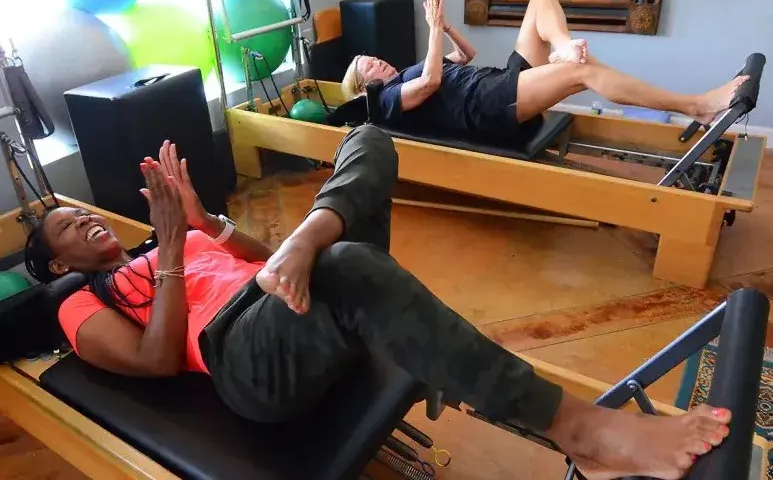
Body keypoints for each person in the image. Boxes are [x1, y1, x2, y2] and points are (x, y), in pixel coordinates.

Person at [25, 131, 731, 479]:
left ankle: (312, 235)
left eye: (81, 213)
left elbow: (267, 268)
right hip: (242, 360)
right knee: (348, 266)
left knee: (368, 139)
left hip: (280, 298)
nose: (83, 220)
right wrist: (175, 250)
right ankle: (581, 430)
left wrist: (207, 222)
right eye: (66, 228)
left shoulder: (172, 240)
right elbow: (154, 360)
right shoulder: (77, 301)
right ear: (57, 263)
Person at [341, 0, 748, 144]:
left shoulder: (408, 71)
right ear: (363, 86)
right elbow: (431, 82)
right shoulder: (385, 100)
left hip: (495, 82)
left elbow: (466, 56)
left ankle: (564, 46)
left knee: (541, 0)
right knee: (583, 72)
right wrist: (432, 29)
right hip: (484, 106)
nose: (376, 60)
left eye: (372, 57)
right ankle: (696, 105)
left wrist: (446, 28)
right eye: (367, 65)